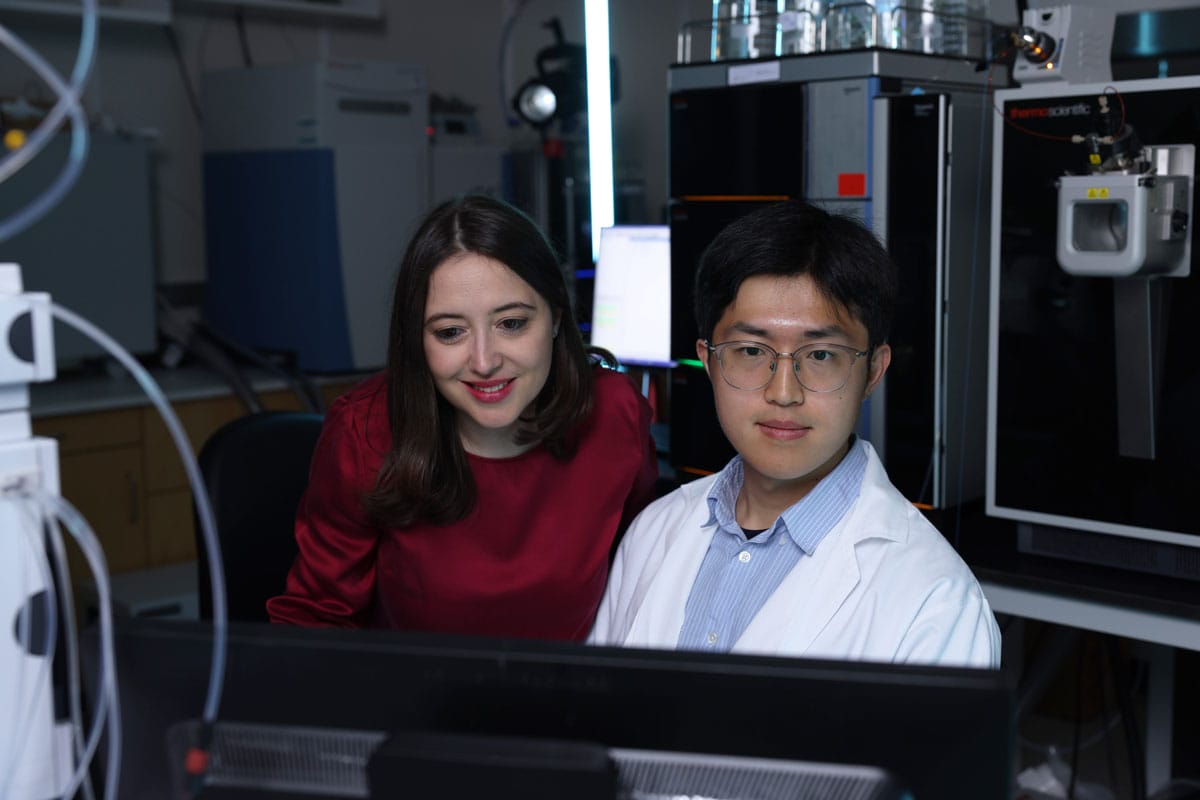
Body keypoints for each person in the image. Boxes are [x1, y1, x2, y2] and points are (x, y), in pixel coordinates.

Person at [589, 201, 1000, 667]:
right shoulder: (654, 532)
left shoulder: (938, 603)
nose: (783, 392)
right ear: (708, 361)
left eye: (821, 355)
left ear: (873, 372)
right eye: (750, 350)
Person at [268, 195, 659, 639]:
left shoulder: (614, 412)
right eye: (450, 332)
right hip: (416, 700)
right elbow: (316, 621)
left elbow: (645, 580)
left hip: (573, 697)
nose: (484, 361)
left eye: (511, 323)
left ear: (555, 318)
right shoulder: (367, 432)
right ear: (417, 340)